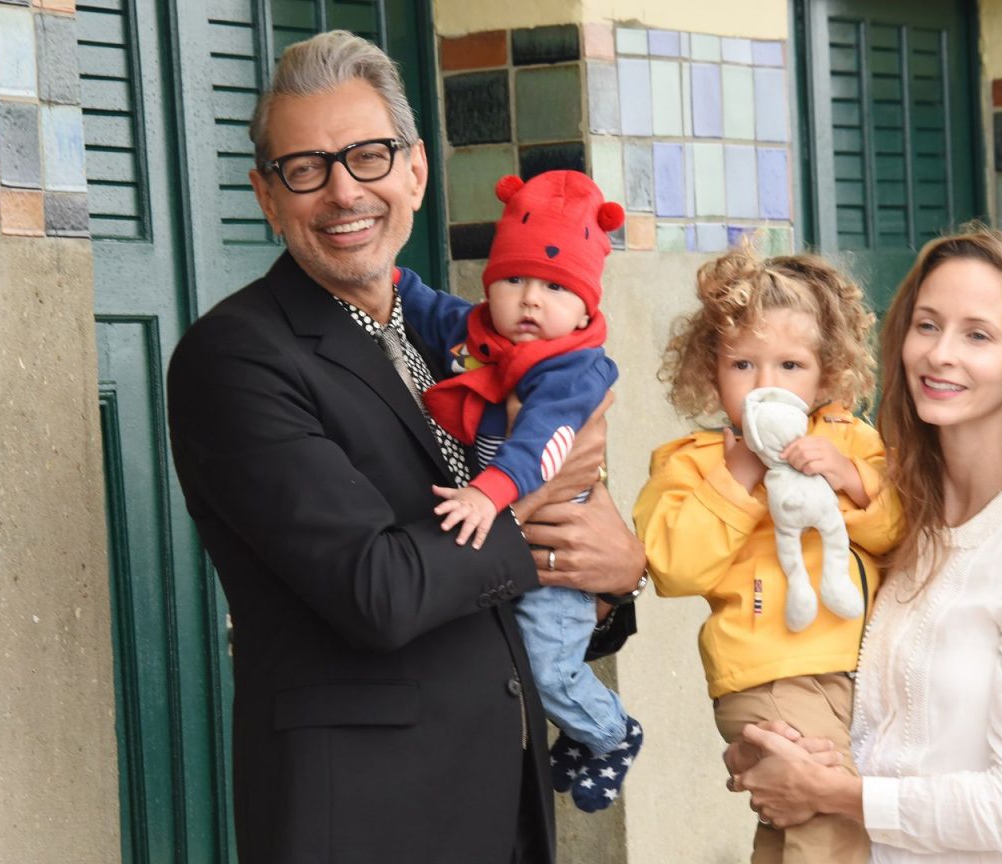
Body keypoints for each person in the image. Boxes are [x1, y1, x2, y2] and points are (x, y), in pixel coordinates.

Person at [164, 30, 646, 864]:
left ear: (416, 171)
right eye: (306, 168)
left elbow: (513, 581)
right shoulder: (235, 357)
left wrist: (612, 578)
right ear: (267, 196)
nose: (344, 191)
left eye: (370, 156)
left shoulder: (459, 340)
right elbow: (379, 592)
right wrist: (531, 500)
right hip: (359, 819)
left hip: (502, 802)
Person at [724, 228, 1002, 862]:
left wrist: (835, 793)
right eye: (927, 325)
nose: (941, 354)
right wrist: (778, 744)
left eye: (978, 335)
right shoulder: (888, 517)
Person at [633, 247, 901, 863]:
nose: (766, 386)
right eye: (743, 365)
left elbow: (899, 530)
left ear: (827, 375)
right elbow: (672, 566)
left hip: (854, 675)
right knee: (834, 821)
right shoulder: (692, 462)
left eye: (791, 365)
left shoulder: (853, 442)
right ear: (710, 370)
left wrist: (851, 480)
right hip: (770, 676)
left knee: (791, 827)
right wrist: (737, 479)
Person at [398, 169, 643, 812]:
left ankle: (610, 734)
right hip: (508, 539)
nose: (530, 300)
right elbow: (423, 305)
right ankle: (579, 730)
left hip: (553, 540)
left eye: (555, 287)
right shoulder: (481, 334)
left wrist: (490, 493)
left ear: (587, 306)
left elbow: (544, 443)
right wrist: (387, 278)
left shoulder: (573, 369)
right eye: (514, 280)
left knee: (546, 667)